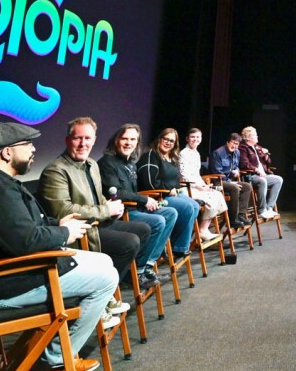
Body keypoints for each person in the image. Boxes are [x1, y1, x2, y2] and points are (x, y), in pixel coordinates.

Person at [0, 122, 117, 371]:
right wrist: (64, 234)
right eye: (27, 144)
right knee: (106, 278)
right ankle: (51, 366)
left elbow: (23, 228)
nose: (33, 150)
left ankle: (64, 355)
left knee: (103, 261)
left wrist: (57, 225)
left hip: (18, 274)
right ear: (7, 152)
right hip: (3, 287)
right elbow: (26, 242)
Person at [38, 117, 159, 288]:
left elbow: (97, 196)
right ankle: (103, 288)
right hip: (80, 231)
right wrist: (106, 210)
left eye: (87, 138)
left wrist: (113, 207)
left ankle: (119, 279)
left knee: (145, 229)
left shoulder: (92, 164)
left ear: (94, 140)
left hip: (98, 222)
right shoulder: (55, 171)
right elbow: (63, 211)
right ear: (67, 140)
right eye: (77, 138)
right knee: (130, 242)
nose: (83, 144)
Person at [96, 123, 178, 286]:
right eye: (124, 139)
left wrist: (150, 201)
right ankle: (137, 272)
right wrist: (144, 200)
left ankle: (148, 265)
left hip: (135, 208)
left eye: (133, 139)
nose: (129, 143)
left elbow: (134, 192)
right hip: (122, 213)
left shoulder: (131, 163)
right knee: (158, 221)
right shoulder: (107, 163)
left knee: (170, 213)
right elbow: (117, 193)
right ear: (116, 140)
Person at [135, 128, 201, 258]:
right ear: (159, 139)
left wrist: (175, 189)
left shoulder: (171, 158)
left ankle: (174, 243)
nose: (168, 143)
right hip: (156, 196)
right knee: (186, 207)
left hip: (169, 193)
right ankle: (178, 247)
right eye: (166, 139)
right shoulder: (151, 156)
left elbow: (175, 181)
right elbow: (150, 183)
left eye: (172, 141)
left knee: (195, 205)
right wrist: (169, 189)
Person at [179, 128, 227, 242]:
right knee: (210, 198)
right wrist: (199, 187)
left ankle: (203, 229)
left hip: (197, 186)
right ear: (187, 139)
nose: (195, 139)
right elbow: (184, 175)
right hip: (186, 187)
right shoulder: (183, 153)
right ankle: (201, 231)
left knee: (217, 194)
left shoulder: (196, 153)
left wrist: (204, 186)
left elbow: (196, 175)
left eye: (198, 137)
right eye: (192, 137)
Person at [237, 125, 283, 218]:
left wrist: (266, 155)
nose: (257, 136)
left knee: (278, 179)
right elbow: (244, 163)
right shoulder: (243, 148)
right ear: (248, 137)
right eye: (255, 135)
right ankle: (262, 210)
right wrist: (256, 169)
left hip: (263, 174)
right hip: (251, 176)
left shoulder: (257, 147)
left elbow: (268, 162)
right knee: (263, 181)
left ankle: (269, 208)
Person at [209, 132, 252, 229]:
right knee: (234, 188)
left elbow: (236, 166)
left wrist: (237, 171)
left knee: (247, 186)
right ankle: (233, 219)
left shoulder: (237, 152)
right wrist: (230, 182)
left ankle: (240, 215)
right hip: (218, 181)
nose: (234, 146)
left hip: (230, 180)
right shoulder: (217, 153)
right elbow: (217, 173)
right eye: (233, 143)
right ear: (228, 142)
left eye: (237, 144)